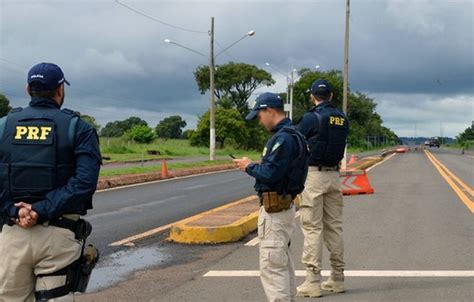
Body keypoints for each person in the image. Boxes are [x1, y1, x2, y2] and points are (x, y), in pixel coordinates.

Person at [0, 62, 102, 301]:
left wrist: (14, 210)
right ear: (60, 90)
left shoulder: (4, 126)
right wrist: (40, 210)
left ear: (28, 90)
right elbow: (84, 182)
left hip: (11, 238)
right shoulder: (79, 128)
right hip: (58, 237)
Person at [233, 92, 308, 302]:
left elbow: (270, 173)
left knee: (272, 268)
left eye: (259, 114)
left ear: (270, 111)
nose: (259, 119)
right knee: (282, 264)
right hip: (286, 207)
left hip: (275, 210)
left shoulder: (282, 138)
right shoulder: (296, 135)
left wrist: (249, 166)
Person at [295, 79, 349, 298]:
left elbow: (297, 143)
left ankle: (312, 281)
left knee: (312, 228)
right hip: (334, 176)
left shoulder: (310, 118)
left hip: (314, 176)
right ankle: (337, 278)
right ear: (332, 96)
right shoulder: (342, 119)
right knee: (334, 227)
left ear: (312, 96)